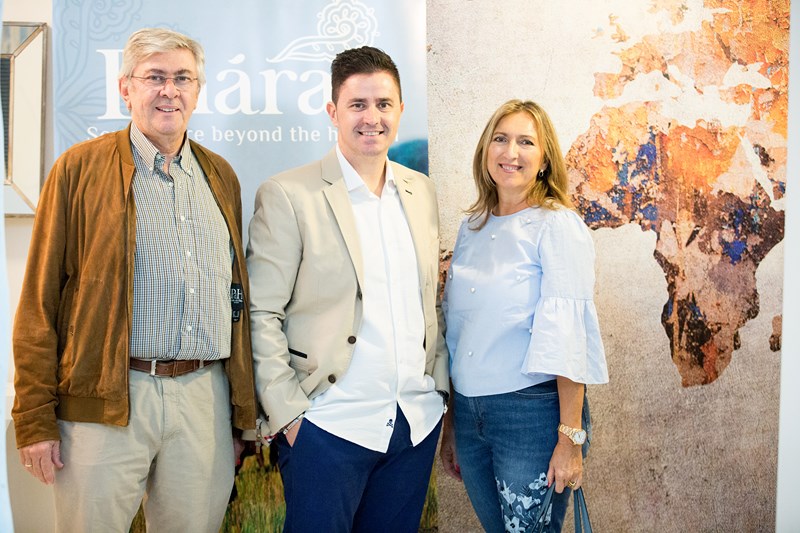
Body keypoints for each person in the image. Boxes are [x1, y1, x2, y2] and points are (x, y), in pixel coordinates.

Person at [12, 28, 257, 533]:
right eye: (155, 77)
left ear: (198, 90)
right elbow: (39, 302)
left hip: (204, 399)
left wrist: (240, 413)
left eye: (183, 78)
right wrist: (34, 419)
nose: (170, 90)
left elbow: (238, 302)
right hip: (107, 402)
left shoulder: (221, 176)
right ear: (125, 88)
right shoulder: (78, 169)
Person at [247, 45, 448, 532]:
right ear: (333, 112)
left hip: (413, 425)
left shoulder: (420, 191)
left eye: (383, 104)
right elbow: (260, 312)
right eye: (358, 104)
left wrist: (438, 393)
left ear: (400, 110)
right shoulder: (289, 195)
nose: (372, 118)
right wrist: (290, 417)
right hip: (328, 427)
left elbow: (430, 300)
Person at [439, 99, 609, 532]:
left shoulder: (557, 226)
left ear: (545, 159)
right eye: (500, 138)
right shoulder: (472, 227)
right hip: (469, 413)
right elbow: (460, 334)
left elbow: (568, 338)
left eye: (526, 142)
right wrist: (453, 423)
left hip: (529, 415)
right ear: (485, 150)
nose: (510, 152)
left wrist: (570, 438)